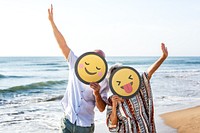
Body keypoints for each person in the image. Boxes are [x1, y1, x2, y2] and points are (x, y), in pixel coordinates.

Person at [48, 4, 109, 133]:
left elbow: (102, 108)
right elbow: (63, 45)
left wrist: (97, 93)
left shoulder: (104, 81)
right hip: (68, 121)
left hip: (85, 125)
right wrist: (52, 23)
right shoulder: (75, 63)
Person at [106, 43, 168, 133]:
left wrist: (163, 57)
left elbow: (147, 74)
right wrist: (114, 106)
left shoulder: (137, 89)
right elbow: (112, 125)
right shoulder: (112, 100)